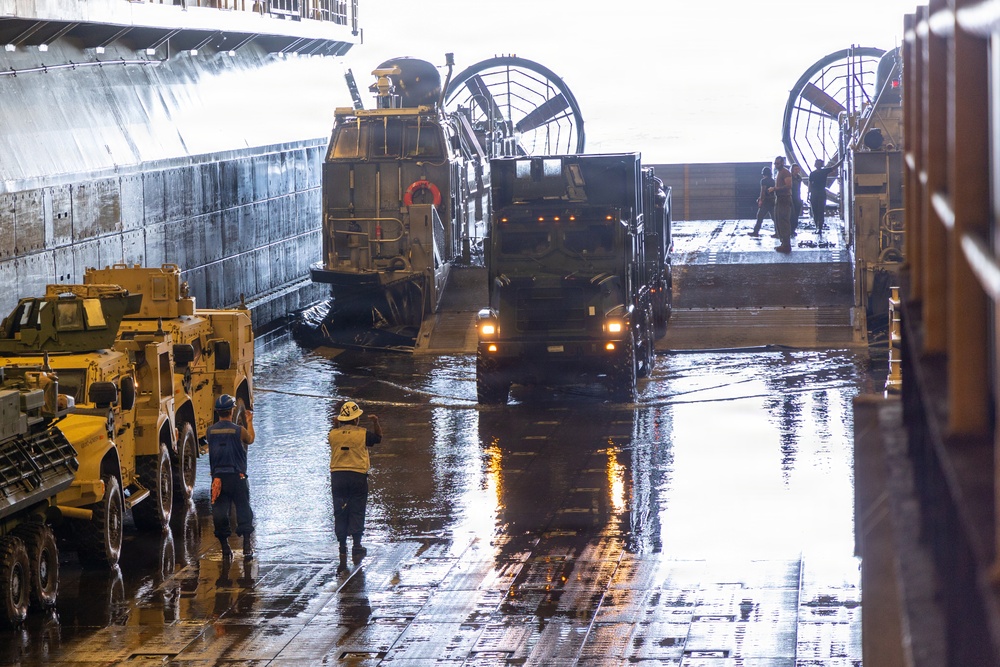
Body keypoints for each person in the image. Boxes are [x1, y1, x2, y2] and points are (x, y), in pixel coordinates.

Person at [329, 400, 383, 564]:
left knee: (340, 510)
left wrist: (336, 426)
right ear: (356, 419)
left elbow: (339, 438)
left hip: (337, 476)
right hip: (357, 476)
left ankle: (342, 546)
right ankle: (357, 545)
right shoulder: (363, 434)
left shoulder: (333, 434)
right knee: (357, 509)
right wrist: (375, 422)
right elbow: (378, 438)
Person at [207, 394, 256, 560]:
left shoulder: (210, 431)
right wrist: (249, 421)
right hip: (237, 478)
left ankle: (225, 547)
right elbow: (250, 439)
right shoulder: (238, 430)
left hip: (218, 480)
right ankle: (247, 546)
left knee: (220, 513)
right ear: (231, 410)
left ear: (217, 412)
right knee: (243, 510)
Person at [808, 158, 840, 232]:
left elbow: (834, 167)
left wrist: (842, 160)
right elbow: (810, 184)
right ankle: (818, 226)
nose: (817, 165)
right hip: (816, 192)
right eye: (817, 163)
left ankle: (819, 227)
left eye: (819, 163)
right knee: (815, 210)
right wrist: (808, 193)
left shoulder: (821, 172)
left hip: (819, 192)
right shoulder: (814, 173)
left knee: (820, 210)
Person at [770, 155, 793, 253]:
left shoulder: (785, 173)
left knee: (783, 221)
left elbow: (788, 186)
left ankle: (786, 245)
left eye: (777, 163)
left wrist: (775, 188)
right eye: (775, 163)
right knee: (779, 221)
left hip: (784, 199)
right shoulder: (779, 172)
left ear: (782, 163)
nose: (776, 165)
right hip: (779, 198)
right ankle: (783, 243)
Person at [748, 166, 775, 237]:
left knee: (759, 216)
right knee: (774, 218)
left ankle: (756, 232)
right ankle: (778, 232)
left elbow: (763, 191)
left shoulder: (763, 181)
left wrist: (761, 200)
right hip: (772, 201)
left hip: (766, 201)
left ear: (764, 173)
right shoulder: (773, 181)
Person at [790, 164, 804, 236]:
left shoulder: (799, 178)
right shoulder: (790, 177)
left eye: (798, 169)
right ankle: (790, 229)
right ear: (792, 169)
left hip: (797, 197)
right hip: (791, 197)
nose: (797, 170)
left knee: (796, 215)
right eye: (795, 169)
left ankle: (793, 229)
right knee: (791, 214)